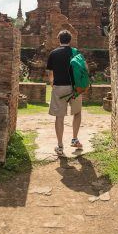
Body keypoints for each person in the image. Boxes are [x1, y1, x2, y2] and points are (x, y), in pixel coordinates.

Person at [46, 29, 84, 157]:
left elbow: (50, 74)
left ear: (59, 39)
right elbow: (84, 69)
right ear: (70, 40)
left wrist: (53, 84)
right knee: (77, 113)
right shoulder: (76, 52)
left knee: (59, 116)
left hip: (59, 87)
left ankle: (60, 146)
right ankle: (74, 139)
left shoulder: (53, 53)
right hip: (74, 88)